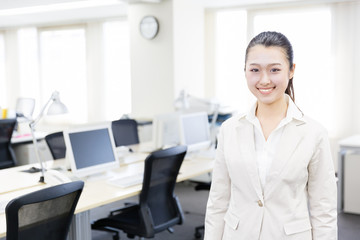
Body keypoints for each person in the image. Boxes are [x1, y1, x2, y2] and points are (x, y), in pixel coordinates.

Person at [204, 31, 337, 240]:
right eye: (255, 70)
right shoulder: (229, 130)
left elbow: (324, 210)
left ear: (291, 70)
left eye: (274, 70)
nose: (264, 80)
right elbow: (217, 202)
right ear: (245, 71)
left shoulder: (314, 133)